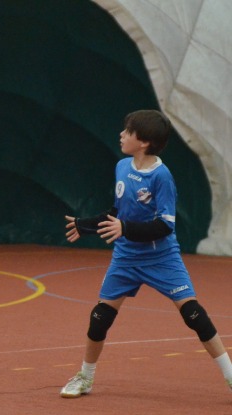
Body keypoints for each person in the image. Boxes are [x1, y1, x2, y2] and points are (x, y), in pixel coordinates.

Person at [61, 109, 232, 398]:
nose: (122, 135)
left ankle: (230, 375)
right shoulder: (122, 167)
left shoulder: (162, 177)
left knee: (194, 314)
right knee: (100, 318)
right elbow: (117, 213)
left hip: (162, 258)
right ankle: (85, 377)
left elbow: (164, 226)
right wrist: (85, 225)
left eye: (128, 132)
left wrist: (125, 228)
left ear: (144, 142)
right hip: (126, 258)